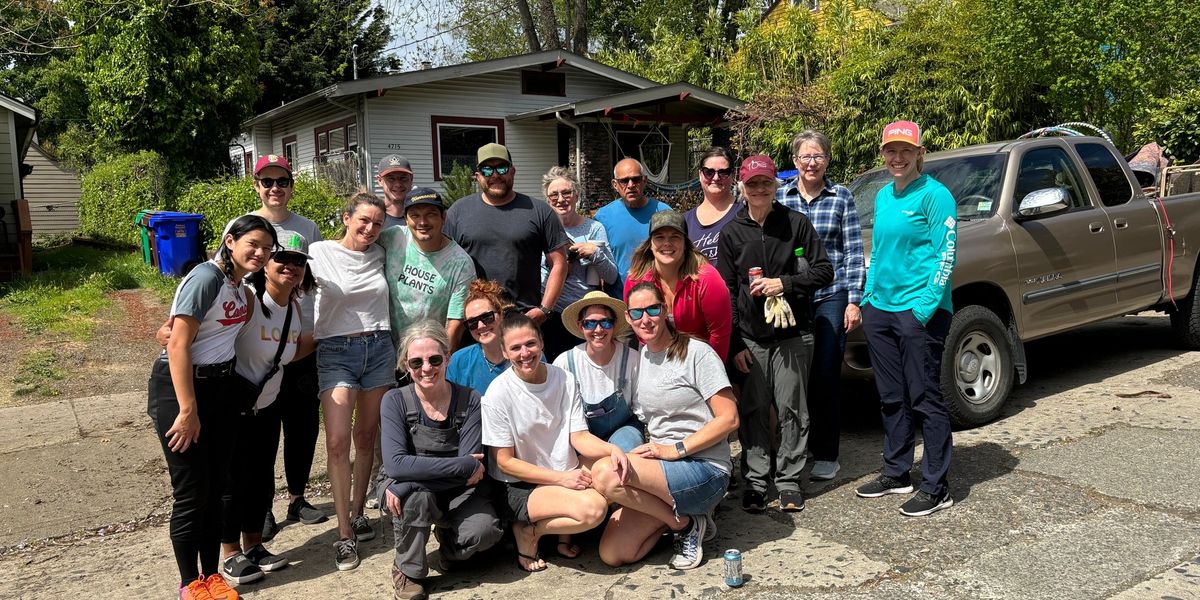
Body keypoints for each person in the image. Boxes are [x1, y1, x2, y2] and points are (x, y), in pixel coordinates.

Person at [149, 214, 276, 600]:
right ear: (230, 240)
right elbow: (176, 345)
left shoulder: (242, 289)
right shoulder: (207, 277)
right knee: (191, 493)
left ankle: (212, 576)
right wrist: (187, 411)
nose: (259, 253)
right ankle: (190, 584)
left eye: (267, 249)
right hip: (182, 391)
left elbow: (222, 333)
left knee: (218, 487)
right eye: (252, 244)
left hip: (221, 390)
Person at [590, 282, 739, 570]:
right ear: (630, 319)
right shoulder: (642, 357)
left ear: (665, 309)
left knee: (606, 473)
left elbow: (730, 418)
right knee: (614, 553)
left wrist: (676, 449)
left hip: (705, 468)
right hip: (662, 470)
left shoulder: (697, 353)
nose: (645, 319)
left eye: (652, 309)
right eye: (637, 313)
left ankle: (683, 525)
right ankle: (686, 520)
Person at [717, 155, 834, 514]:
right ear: (743, 187)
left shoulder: (795, 223)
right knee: (753, 412)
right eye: (752, 184)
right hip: (751, 338)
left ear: (775, 185)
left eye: (766, 183)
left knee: (792, 411)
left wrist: (783, 283)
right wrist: (735, 343)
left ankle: (788, 481)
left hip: (793, 334)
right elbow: (727, 290)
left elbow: (824, 271)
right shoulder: (732, 231)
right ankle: (755, 481)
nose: (760, 189)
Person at [854, 120, 957, 517]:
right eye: (890, 151)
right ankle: (897, 473)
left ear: (919, 154)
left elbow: (946, 255)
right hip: (881, 308)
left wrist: (922, 310)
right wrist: (868, 299)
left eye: (905, 151)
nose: (897, 158)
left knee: (925, 397)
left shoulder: (936, 196)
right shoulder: (882, 196)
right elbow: (878, 252)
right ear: (883, 154)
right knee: (891, 397)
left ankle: (936, 485)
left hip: (920, 312)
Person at [481, 313, 630, 573]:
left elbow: (579, 437)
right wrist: (561, 479)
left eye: (530, 344)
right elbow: (504, 462)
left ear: (541, 343)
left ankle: (562, 534)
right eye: (515, 348)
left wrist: (612, 449)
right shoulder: (498, 393)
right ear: (504, 352)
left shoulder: (563, 378)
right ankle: (529, 530)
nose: (524, 353)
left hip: (563, 470)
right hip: (520, 484)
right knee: (593, 510)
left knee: (612, 475)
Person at [233, 155, 327, 539]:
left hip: (299, 340)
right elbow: (229, 278)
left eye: (282, 181)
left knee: (303, 425)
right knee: (263, 431)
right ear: (256, 185)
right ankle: (263, 505)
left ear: (291, 185)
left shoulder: (307, 227)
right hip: (257, 343)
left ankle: (299, 497)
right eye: (267, 181)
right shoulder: (244, 226)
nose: (275, 188)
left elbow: (318, 280)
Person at [219, 234, 316, 586]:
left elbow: (291, 351)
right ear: (266, 264)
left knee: (261, 479)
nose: (290, 266)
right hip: (235, 406)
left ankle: (255, 546)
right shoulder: (247, 299)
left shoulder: (295, 307)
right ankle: (230, 553)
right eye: (282, 259)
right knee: (233, 482)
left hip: (268, 404)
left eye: (298, 261)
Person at [380, 321, 502, 600]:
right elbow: (396, 465)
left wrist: (407, 480)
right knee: (416, 500)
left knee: (486, 532)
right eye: (416, 362)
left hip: (460, 492)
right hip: (416, 493)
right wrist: (459, 465)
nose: (426, 368)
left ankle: (449, 548)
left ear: (447, 358)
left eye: (435, 359)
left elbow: (472, 472)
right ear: (405, 365)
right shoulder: (393, 401)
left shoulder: (470, 399)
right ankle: (407, 570)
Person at [309, 191, 395, 570]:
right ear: (346, 217)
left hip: (379, 347)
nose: (370, 228)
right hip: (335, 350)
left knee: (367, 437)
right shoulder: (319, 252)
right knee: (339, 440)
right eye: (363, 220)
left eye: (377, 223)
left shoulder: (381, 254)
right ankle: (343, 535)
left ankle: (359, 512)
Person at [776, 130, 866, 482]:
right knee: (793, 377)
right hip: (793, 297)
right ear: (795, 162)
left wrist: (854, 300)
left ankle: (827, 453)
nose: (811, 163)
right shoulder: (781, 197)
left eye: (818, 156)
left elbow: (854, 250)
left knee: (827, 373)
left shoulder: (840, 196)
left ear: (827, 159)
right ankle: (795, 448)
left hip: (831, 294)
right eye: (804, 157)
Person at [444, 143, 570, 329]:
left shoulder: (538, 211)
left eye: (501, 168)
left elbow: (559, 262)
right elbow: (445, 263)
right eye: (487, 170)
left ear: (512, 171)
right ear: (477, 176)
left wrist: (545, 309)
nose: (495, 175)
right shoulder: (458, 211)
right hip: (474, 323)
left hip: (522, 319)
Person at [623, 210, 732, 361]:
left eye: (675, 237)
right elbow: (639, 327)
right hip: (655, 355)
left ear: (685, 243)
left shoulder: (707, 279)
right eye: (659, 237)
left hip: (700, 359)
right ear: (650, 244)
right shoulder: (636, 280)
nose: (667, 243)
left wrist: (710, 371)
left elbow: (720, 334)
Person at [379, 187, 476, 353]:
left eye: (431, 214)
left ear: (443, 217)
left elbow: (455, 323)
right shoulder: (392, 238)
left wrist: (438, 362)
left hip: (427, 357)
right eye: (415, 215)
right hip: (384, 353)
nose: (422, 222)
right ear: (405, 219)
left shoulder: (461, 263)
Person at [540, 166, 618, 360]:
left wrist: (595, 253)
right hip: (551, 314)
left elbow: (612, 276)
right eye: (554, 195)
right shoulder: (540, 230)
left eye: (566, 192)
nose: (560, 199)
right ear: (547, 200)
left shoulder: (594, 228)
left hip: (584, 316)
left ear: (576, 196)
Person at [593, 158, 672, 295]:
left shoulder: (664, 212)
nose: (630, 185)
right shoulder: (603, 217)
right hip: (618, 301)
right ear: (615, 184)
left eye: (635, 179)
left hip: (659, 300)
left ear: (644, 180)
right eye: (624, 181)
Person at [446, 279, 515, 393]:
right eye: (472, 322)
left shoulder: (526, 352)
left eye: (487, 317)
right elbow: (455, 406)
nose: (481, 325)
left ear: (501, 314)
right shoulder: (459, 361)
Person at [683, 147, 742, 269]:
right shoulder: (685, 221)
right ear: (700, 174)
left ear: (732, 175)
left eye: (723, 172)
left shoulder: (744, 213)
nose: (716, 178)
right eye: (709, 172)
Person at [377, 154, 416, 229]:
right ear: (379, 180)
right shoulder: (372, 218)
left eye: (403, 178)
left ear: (411, 179)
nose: (398, 184)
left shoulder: (421, 217)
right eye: (391, 178)